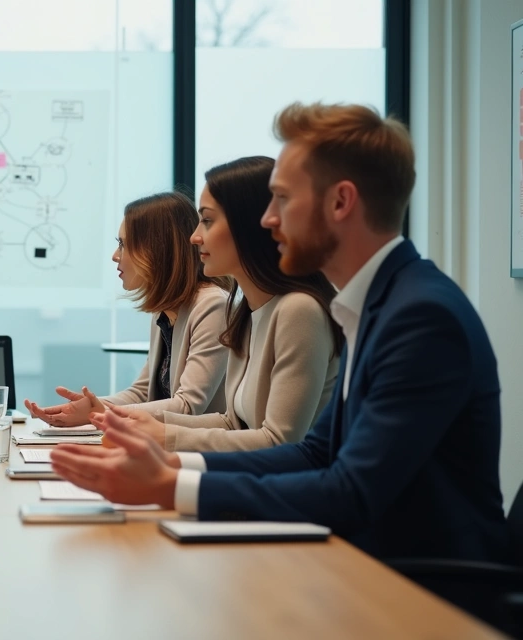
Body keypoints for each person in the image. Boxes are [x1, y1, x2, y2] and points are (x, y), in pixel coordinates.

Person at [51, 102, 509, 563]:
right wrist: (170, 466)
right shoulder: (376, 301)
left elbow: (351, 492)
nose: (268, 219)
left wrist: (173, 484)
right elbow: (314, 453)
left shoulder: (420, 316)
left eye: (283, 199)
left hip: (427, 590)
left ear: (340, 202)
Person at [91, 156, 341, 452]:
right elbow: (231, 423)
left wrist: (163, 436)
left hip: (287, 492)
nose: (195, 237)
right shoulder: (248, 311)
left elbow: (279, 442)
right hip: (250, 482)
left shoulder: (298, 310)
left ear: (250, 226)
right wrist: (134, 422)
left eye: (207, 221)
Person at [26, 192, 231, 424]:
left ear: (157, 250)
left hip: (199, 455)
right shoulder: (165, 309)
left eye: (123, 245)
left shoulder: (212, 305)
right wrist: (86, 408)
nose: (115, 256)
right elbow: (141, 392)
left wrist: (101, 413)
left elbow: (187, 405)